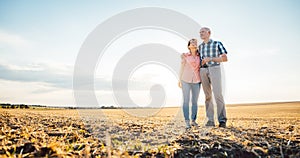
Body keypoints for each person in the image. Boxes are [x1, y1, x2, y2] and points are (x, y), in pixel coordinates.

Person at [198, 27, 228, 128]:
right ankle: (210, 120)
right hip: (203, 70)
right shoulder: (200, 47)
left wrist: (210, 59)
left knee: (218, 94)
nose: (201, 33)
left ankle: (222, 120)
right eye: (200, 32)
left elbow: (225, 58)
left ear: (209, 33)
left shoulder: (217, 43)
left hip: (214, 68)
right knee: (207, 96)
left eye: (203, 32)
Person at [178, 39, 201, 129]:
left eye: (195, 42)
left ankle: (193, 121)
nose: (194, 43)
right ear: (189, 46)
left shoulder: (200, 56)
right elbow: (182, 67)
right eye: (192, 42)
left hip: (197, 81)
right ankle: (187, 122)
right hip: (185, 80)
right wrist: (179, 79)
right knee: (186, 101)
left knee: (195, 102)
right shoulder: (185, 56)